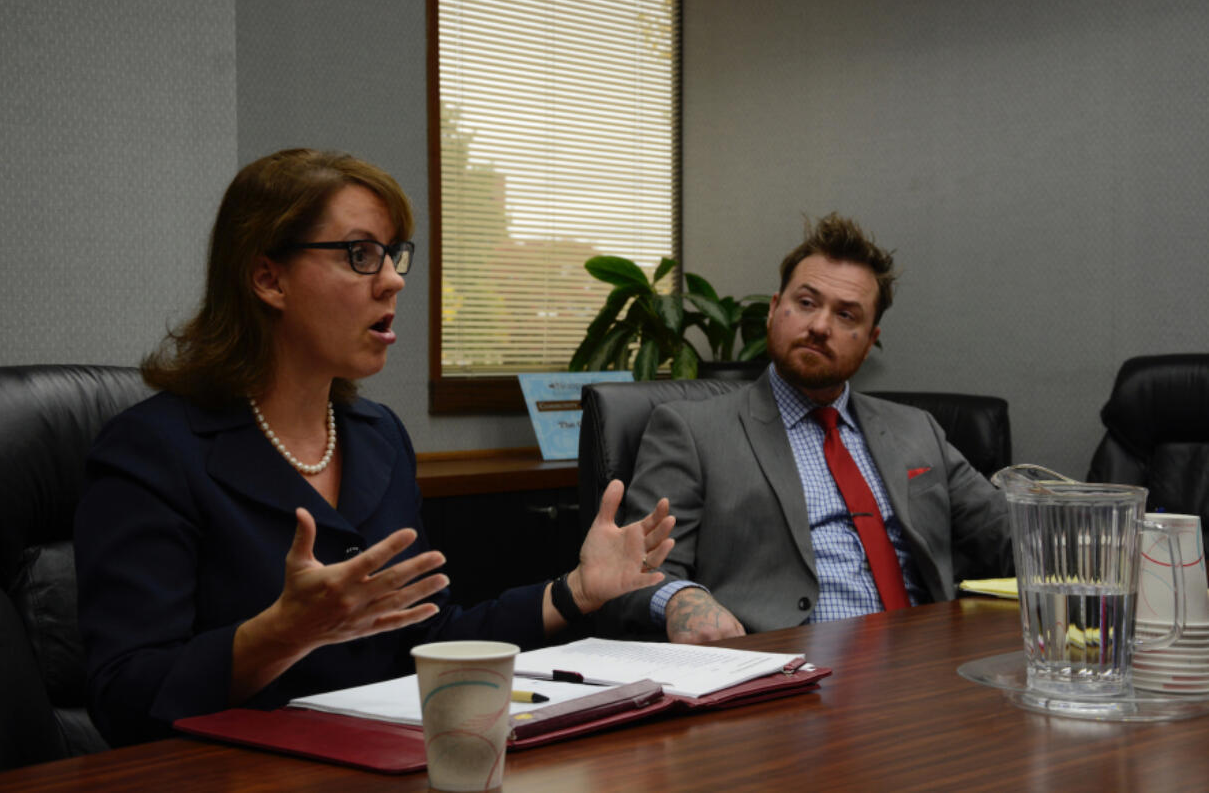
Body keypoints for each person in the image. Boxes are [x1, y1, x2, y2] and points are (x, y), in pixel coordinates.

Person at [74, 148, 676, 746]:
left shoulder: (377, 436)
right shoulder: (153, 449)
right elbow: (124, 697)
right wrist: (281, 633)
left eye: (393, 255)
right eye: (361, 255)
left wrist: (575, 591)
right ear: (268, 278)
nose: (393, 279)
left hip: (382, 763)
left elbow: (423, 640)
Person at [604, 213, 1010, 643]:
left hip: (927, 665)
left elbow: (1010, 538)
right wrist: (680, 599)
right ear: (775, 309)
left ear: (870, 341)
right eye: (807, 303)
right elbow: (639, 569)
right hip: (786, 672)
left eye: (846, 315)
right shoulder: (691, 430)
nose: (819, 326)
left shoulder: (917, 429)